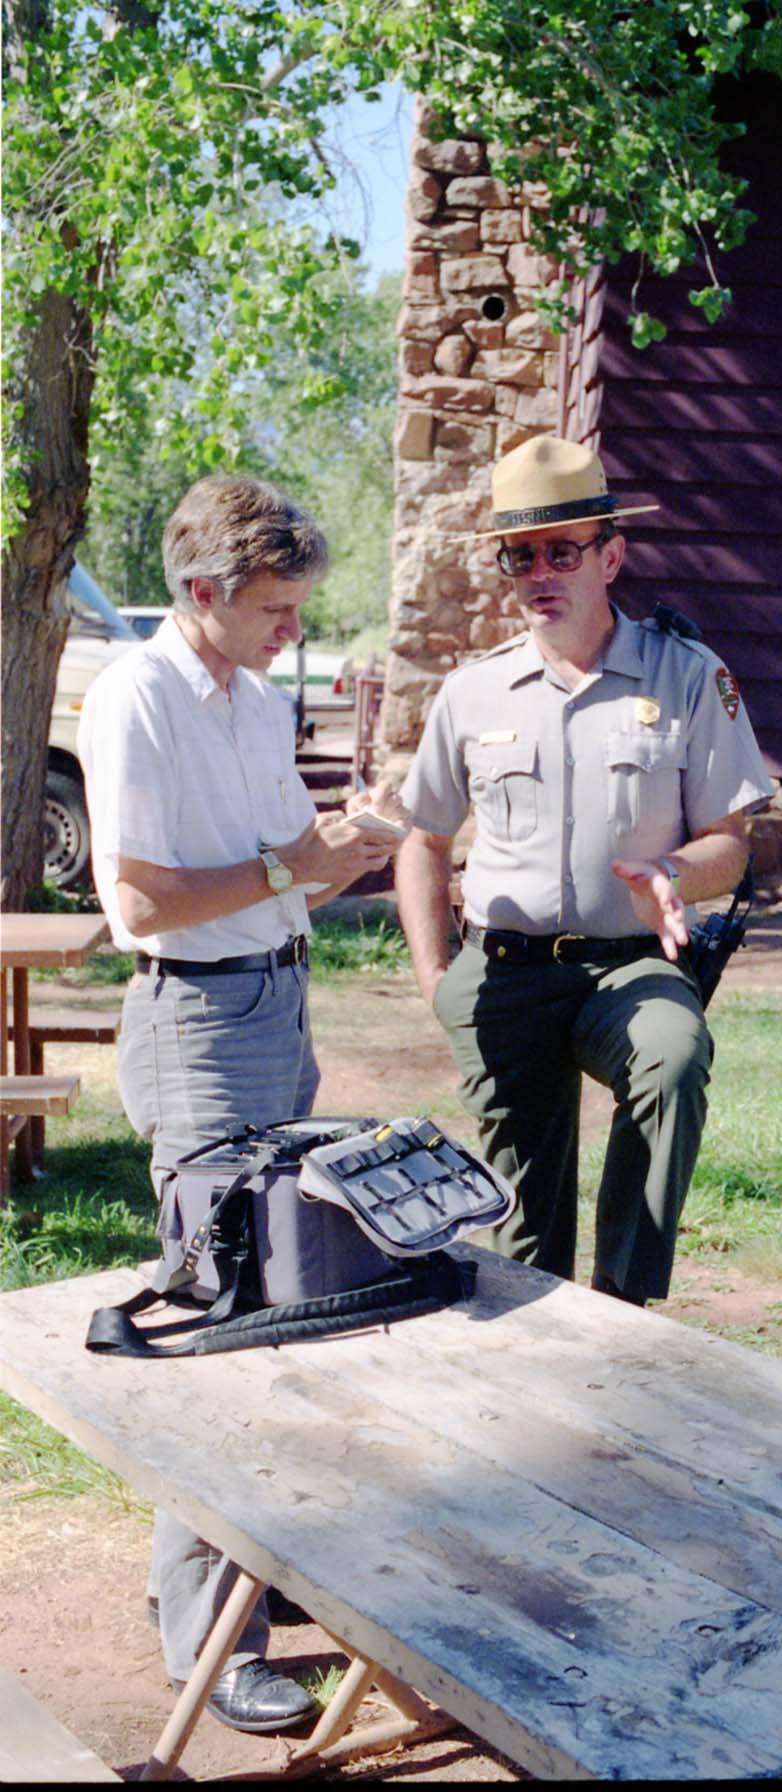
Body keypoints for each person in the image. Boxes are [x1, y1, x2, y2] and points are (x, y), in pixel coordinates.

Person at [79, 475, 402, 1732]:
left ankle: (240, 1594)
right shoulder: (134, 697)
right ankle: (207, 1639)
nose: (291, 630)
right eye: (274, 608)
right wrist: (294, 866)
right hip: (196, 1021)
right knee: (223, 1319)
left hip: (278, 1007)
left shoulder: (257, 702)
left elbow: (288, 874)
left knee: (290, 1304)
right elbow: (143, 904)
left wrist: (345, 850)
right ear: (200, 593)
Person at [397, 435, 774, 1306]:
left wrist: (673, 873)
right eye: (519, 555)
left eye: (561, 551)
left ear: (611, 556)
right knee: (522, 1237)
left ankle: (622, 1298)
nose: (540, 573)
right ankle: (537, 1362)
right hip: (506, 972)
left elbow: (731, 840)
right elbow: (423, 838)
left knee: (674, 1062)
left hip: (631, 965)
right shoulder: (472, 692)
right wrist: (432, 975)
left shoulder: (688, 676)